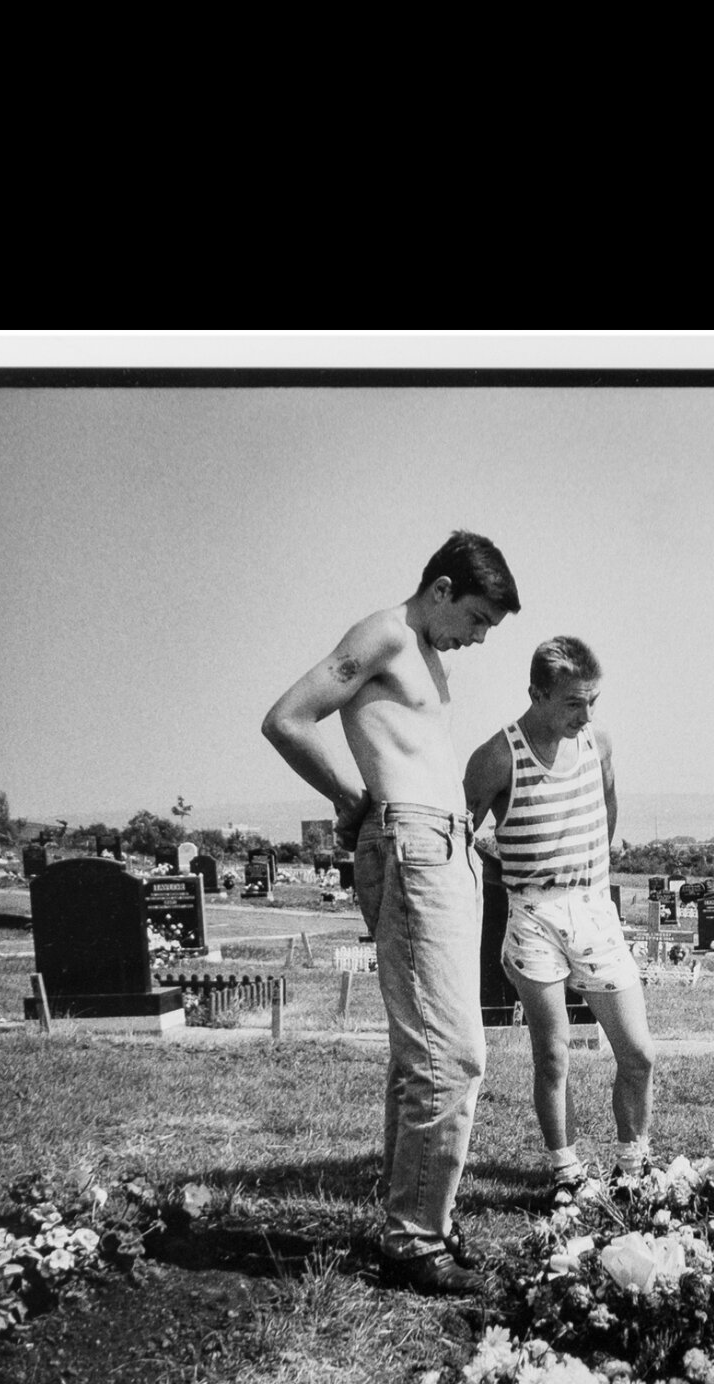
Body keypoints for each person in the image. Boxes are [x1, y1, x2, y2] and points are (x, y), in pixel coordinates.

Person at [260, 529, 520, 1293]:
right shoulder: (384, 631)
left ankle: (419, 1217)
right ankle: (413, 1240)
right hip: (410, 846)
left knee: (427, 1055)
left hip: (446, 847)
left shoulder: (426, 655)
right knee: (454, 1053)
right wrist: (348, 798)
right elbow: (287, 718)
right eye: (475, 620)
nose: (476, 639)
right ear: (441, 589)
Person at [463, 637, 656, 1206]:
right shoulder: (498, 756)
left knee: (638, 1052)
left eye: (593, 700)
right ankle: (566, 1170)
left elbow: (609, 803)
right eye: (574, 703)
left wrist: (591, 863)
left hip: (593, 907)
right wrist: (505, 872)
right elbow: (461, 836)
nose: (587, 714)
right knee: (553, 1054)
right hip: (532, 915)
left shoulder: (598, 742)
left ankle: (632, 1164)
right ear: (536, 695)